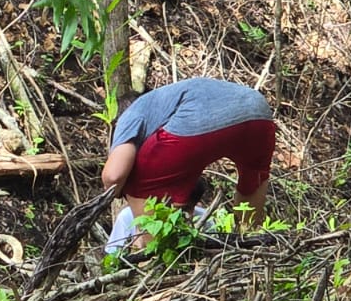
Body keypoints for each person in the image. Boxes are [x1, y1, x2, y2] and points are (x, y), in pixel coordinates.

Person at [101, 77, 276, 247]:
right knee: (254, 179)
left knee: (136, 183)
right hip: (258, 110)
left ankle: (152, 257)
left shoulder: (131, 112)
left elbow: (114, 175)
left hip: (196, 118)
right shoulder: (164, 101)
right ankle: (249, 245)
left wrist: (117, 192)